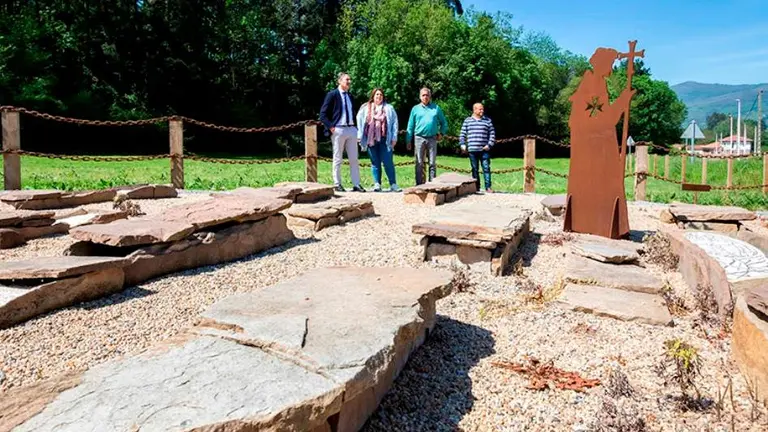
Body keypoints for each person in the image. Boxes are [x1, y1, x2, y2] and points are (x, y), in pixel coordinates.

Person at [319, 72, 364, 192]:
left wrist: (356, 128)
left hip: (351, 129)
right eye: (346, 80)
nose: (349, 82)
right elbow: (323, 114)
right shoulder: (332, 95)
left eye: (350, 80)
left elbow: (354, 112)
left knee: (354, 158)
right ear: (339, 81)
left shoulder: (350, 96)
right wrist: (331, 127)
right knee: (338, 158)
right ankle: (337, 183)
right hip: (338, 129)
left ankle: (356, 184)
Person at [356, 88, 401, 192]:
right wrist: (360, 135)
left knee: (388, 162)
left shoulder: (389, 108)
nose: (379, 96)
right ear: (373, 96)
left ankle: (393, 184)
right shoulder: (365, 108)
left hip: (385, 139)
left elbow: (395, 123)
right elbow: (359, 120)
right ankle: (377, 184)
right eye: (377, 94)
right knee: (375, 162)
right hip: (371, 139)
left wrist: (394, 137)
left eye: (381, 94)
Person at [405, 87, 448, 185]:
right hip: (419, 138)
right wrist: (408, 140)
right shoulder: (415, 109)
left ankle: (432, 184)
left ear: (430, 96)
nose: (425, 97)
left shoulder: (436, 108)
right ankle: (419, 184)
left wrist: (441, 133)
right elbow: (410, 126)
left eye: (427, 95)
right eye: (423, 95)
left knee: (432, 163)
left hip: (432, 138)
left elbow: (444, 123)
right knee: (419, 163)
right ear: (420, 97)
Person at [459, 103, 496, 192]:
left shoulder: (487, 121)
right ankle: (476, 187)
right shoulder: (467, 121)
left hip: (484, 149)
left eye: (482, 109)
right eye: (480, 109)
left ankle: (488, 187)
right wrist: (462, 144)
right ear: (474, 110)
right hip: (472, 149)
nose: (482, 111)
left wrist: (489, 145)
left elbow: (492, 134)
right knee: (475, 169)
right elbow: (462, 134)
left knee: (486, 168)